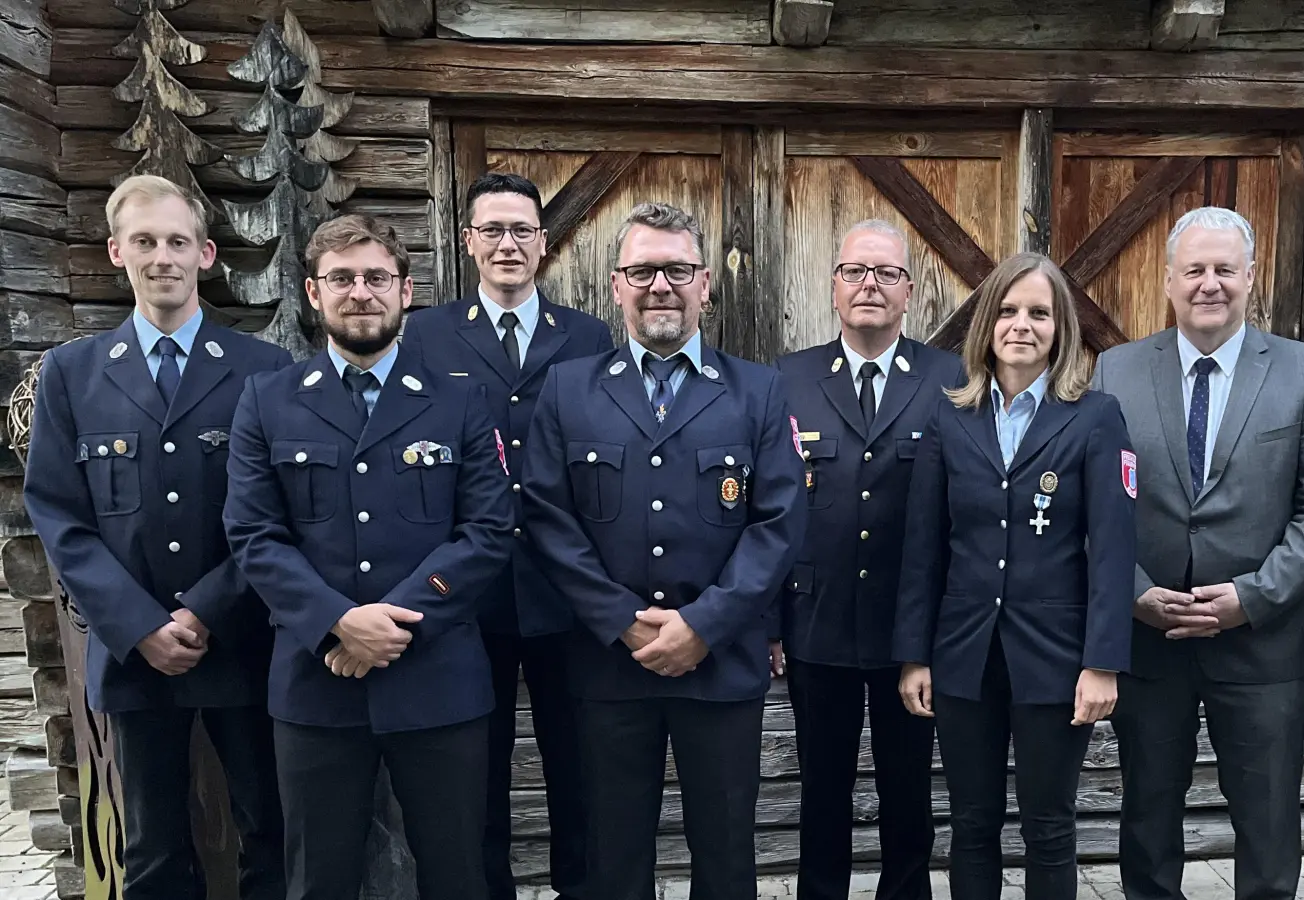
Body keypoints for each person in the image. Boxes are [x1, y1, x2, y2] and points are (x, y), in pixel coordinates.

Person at [223, 214, 514, 900]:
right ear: (313, 293)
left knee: (457, 876)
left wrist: (389, 624)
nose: (361, 292)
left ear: (406, 290)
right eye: (342, 278)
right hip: (316, 683)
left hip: (439, 683)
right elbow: (253, 535)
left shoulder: (461, 401)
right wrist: (336, 621)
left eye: (377, 277)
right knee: (317, 881)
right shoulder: (267, 402)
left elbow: (489, 530)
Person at [521, 202, 806, 900]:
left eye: (677, 270)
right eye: (643, 270)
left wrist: (704, 625)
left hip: (720, 664)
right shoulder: (568, 390)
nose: (660, 286)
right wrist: (620, 618)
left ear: (705, 284)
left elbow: (778, 523)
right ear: (615, 285)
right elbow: (546, 518)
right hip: (608, 666)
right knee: (612, 858)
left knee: (727, 854)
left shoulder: (760, 392)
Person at [23, 174, 290, 900]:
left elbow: (280, 510)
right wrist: (140, 626)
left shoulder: (264, 370)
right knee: (153, 851)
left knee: (272, 831)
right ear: (117, 251)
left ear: (206, 254)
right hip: (132, 652)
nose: (161, 256)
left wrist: (205, 608)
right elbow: (58, 512)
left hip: (242, 641)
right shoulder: (72, 375)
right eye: (144, 241)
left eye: (177, 241)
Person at [1091, 207, 1304, 900]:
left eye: (1225, 270)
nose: (1211, 284)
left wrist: (1255, 597)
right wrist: (1136, 592)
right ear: (1169, 280)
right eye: (1196, 270)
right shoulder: (1115, 371)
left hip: (1262, 641)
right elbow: (1095, 505)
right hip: (1151, 637)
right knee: (1147, 817)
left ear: (1251, 277)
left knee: (1267, 822)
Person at [892, 252, 1137, 900]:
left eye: (1038, 312)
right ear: (985, 325)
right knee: (972, 823)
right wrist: (914, 655)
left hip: (1055, 658)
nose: (1020, 325)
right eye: (1006, 310)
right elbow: (924, 547)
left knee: (1049, 826)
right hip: (963, 653)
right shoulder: (950, 416)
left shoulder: (1096, 416)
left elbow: (1113, 549)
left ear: (1061, 328)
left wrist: (1102, 662)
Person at [404, 172, 612, 900]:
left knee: (578, 767)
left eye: (521, 230)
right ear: (467, 242)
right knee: (474, 771)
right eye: (491, 230)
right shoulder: (426, 334)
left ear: (544, 243)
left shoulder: (586, 336)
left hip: (565, 593)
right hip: (468, 595)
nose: (507, 244)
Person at [774, 219, 961, 900]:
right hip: (815, 620)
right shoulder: (788, 379)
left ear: (910, 291)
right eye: (855, 271)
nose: (870, 286)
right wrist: (770, 622)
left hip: (910, 629)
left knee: (907, 790)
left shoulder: (950, 378)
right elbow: (767, 509)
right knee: (821, 787)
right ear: (833, 287)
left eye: (885, 274)